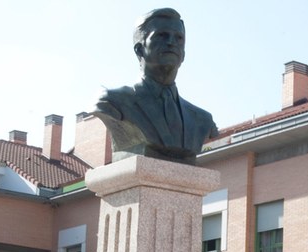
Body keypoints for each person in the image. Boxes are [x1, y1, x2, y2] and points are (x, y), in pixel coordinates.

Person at [91, 8, 218, 165]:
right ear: (139, 49)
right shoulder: (113, 101)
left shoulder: (201, 120)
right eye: (161, 36)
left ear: (183, 54)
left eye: (179, 38)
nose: (171, 42)